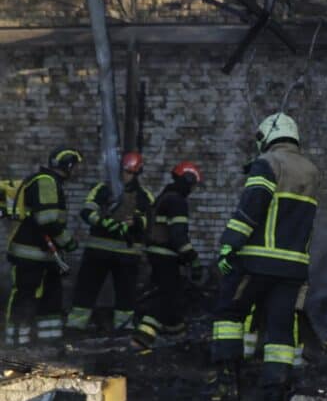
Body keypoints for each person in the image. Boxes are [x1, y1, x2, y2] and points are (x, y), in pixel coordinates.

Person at [208, 113, 319, 401]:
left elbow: (251, 206)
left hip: (256, 262)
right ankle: (275, 394)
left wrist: (229, 246)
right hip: (293, 268)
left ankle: (227, 381)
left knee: (229, 313)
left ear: (268, 136)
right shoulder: (310, 170)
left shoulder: (268, 163)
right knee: (280, 328)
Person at [67, 152, 155, 333]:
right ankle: (75, 326)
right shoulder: (102, 189)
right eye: (125, 172)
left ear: (137, 173)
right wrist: (103, 222)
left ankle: (124, 328)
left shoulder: (144, 196)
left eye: (131, 173)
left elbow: (150, 222)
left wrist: (136, 223)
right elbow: (86, 211)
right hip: (98, 253)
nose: (126, 176)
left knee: (126, 295)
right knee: (86, 291)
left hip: (127, 257)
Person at [5, 148, 82, 344]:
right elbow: (47, 219)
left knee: (51, 298)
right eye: (76, 166)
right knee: (25, 295)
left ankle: (48, 342)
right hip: (31, 255)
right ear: (68, 165)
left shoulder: (50, 182)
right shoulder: (46, 181)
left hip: (46, 256)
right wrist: (69, 242)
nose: (77, 171)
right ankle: (15, 342)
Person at [132, 161, 203, 350]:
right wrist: (193, 260)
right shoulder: (177, 201)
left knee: (174, 297)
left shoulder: (163, 197)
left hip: (156, 256)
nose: (193, 189)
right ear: (187, 180)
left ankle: (178, 337)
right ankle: (141, 340)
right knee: (166, 299)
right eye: (193, 184)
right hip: (167, 258)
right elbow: (178, 236)